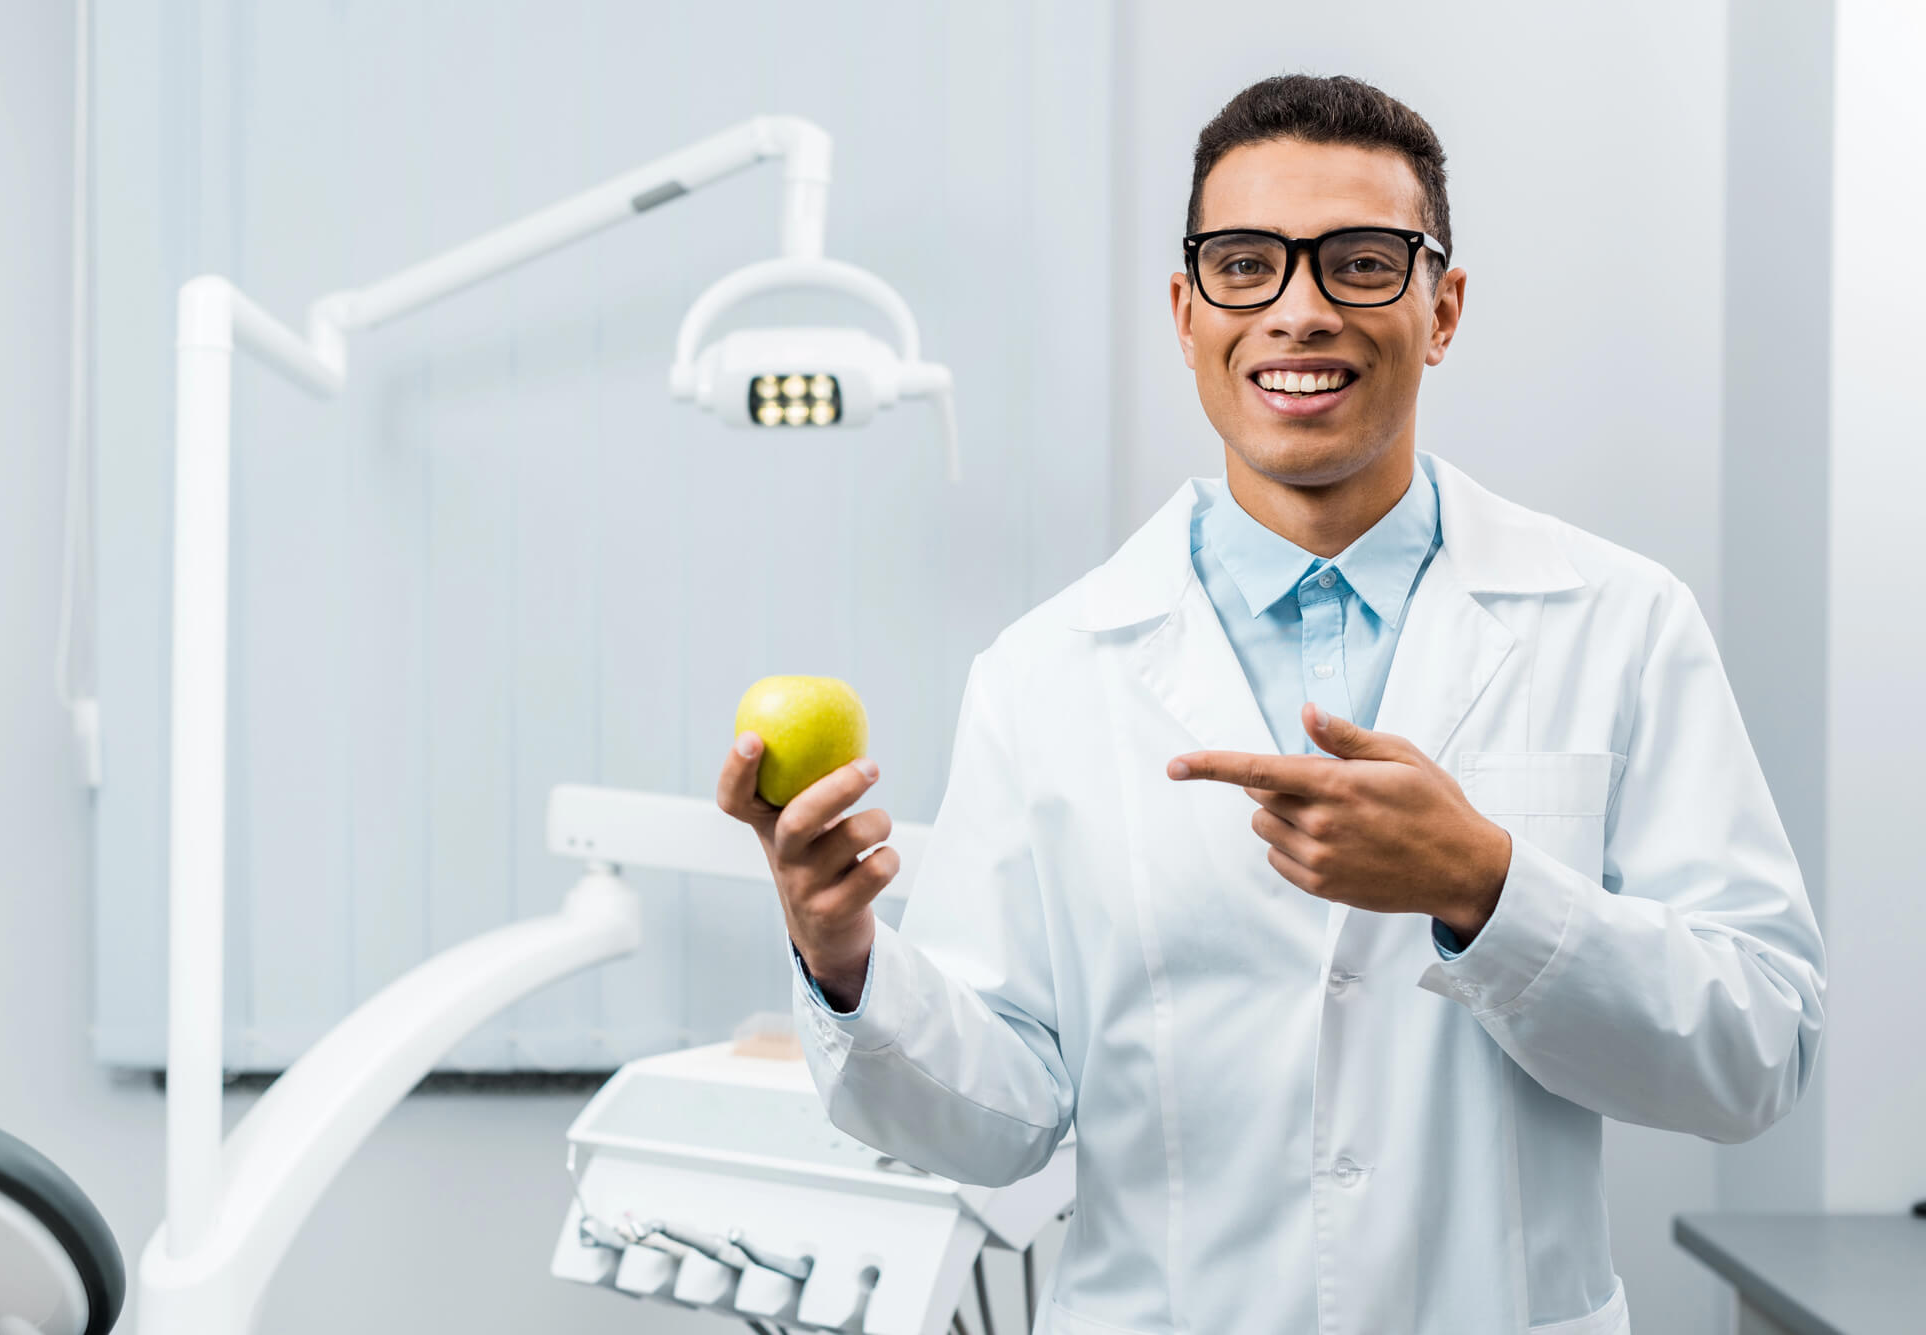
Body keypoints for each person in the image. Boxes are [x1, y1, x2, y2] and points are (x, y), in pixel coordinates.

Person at [717, 73, 1823, 1335]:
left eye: (1358, 262)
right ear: (1186, 315)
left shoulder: (1618, 623)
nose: (1298, 312)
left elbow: (1759, 1050)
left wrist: (1488, 888)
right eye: (1244, 265)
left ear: (1441, 307)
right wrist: (843, 958)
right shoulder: (1044, 673)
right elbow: (1002, 1118)